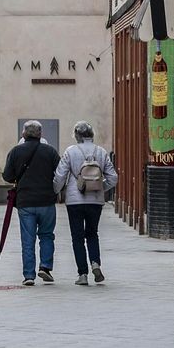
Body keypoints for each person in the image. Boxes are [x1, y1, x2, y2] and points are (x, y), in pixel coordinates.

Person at [53, 120, 119, 286]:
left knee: (77, 237)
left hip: (74, 200)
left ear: (77, 135)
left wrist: (56, 191)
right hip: (95, 201)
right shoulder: (101, 152)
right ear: (91, 135)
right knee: (92, 233)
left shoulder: (70, 151)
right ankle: (95, 263)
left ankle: (82, 274)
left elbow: (60, 176)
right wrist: (100, 187)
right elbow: (113, 178)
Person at [2, 120, 60, 287]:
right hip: (47, 200)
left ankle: (29, 275)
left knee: (28, 239)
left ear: (23, 134)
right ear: (40, 134)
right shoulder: (50, 151)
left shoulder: (16, 151)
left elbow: (7, 176)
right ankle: (45, 267)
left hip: (25, 201)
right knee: (47, 235)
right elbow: (60, 173)